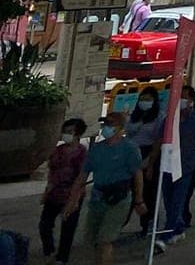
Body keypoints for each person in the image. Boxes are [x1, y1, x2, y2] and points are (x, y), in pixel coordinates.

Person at [67, 112, 142, 265]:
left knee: (105, 240)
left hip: (118, 198)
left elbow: (137, 174)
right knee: (93, 239)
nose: (106, 127)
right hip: (97, 197)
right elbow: (83, 175)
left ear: (120, 128)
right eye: (105, 124)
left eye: (111, 124)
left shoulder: (129, 148)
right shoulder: (97, 149)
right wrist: (72, 200)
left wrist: (139, 199)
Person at [159, 90, 195, 246]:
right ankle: (178, 227)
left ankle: (167, 235)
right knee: (168, 200)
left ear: (191, 101)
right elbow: (160, 140)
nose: (181, 100)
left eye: (185, 97)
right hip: (167, 165)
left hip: (185, 167)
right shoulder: (170, 119)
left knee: (177, 201)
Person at [39, 118, 87, 265]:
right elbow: (52, 172)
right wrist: (47, 191)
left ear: (77, 134)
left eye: (70, 132)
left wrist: (75, 199)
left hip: (71, 194)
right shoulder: (58, 150)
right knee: (45, 224)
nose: (66, 135)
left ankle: (62, 257)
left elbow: (81, 177)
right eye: (64, 132)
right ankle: (50, 250)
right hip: (54, 193)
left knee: (68, 229)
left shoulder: (81, 153)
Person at [124, 87, 163, 231]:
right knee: (129, 190)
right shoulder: (134, 116)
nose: (144, 102)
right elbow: (127, 133)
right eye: (142, 99)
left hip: (148, 153)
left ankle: (148, 224)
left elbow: (158, 141)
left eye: (148, 100)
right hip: (132, 152)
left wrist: (150, 162)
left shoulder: (159, 117)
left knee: (148, 192)